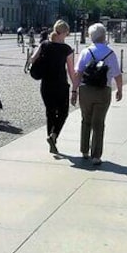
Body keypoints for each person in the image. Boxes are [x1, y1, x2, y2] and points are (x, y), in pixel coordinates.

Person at [74, 23, 123, 165]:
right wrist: (119, 89)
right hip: (103, 90)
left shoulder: (85, 52)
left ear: (91, 36)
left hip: (86, 90)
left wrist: (74, 90)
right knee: (99, 123)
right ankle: (96, 155)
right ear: (104, 36)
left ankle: (84, 150)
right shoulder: (110, 53)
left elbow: (78, 73)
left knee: (86, 120)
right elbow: (117, 74)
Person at [29, 20, 77, 153]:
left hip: (46, 84)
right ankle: (54, 135)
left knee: (50, 112)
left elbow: (32, 59)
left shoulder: (44, 44)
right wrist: (75, 87)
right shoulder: (66, 49)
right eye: (67, 33)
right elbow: (71, 71)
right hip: (61, 84)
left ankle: (51, 139)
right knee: (63, 112)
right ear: (64, 33)